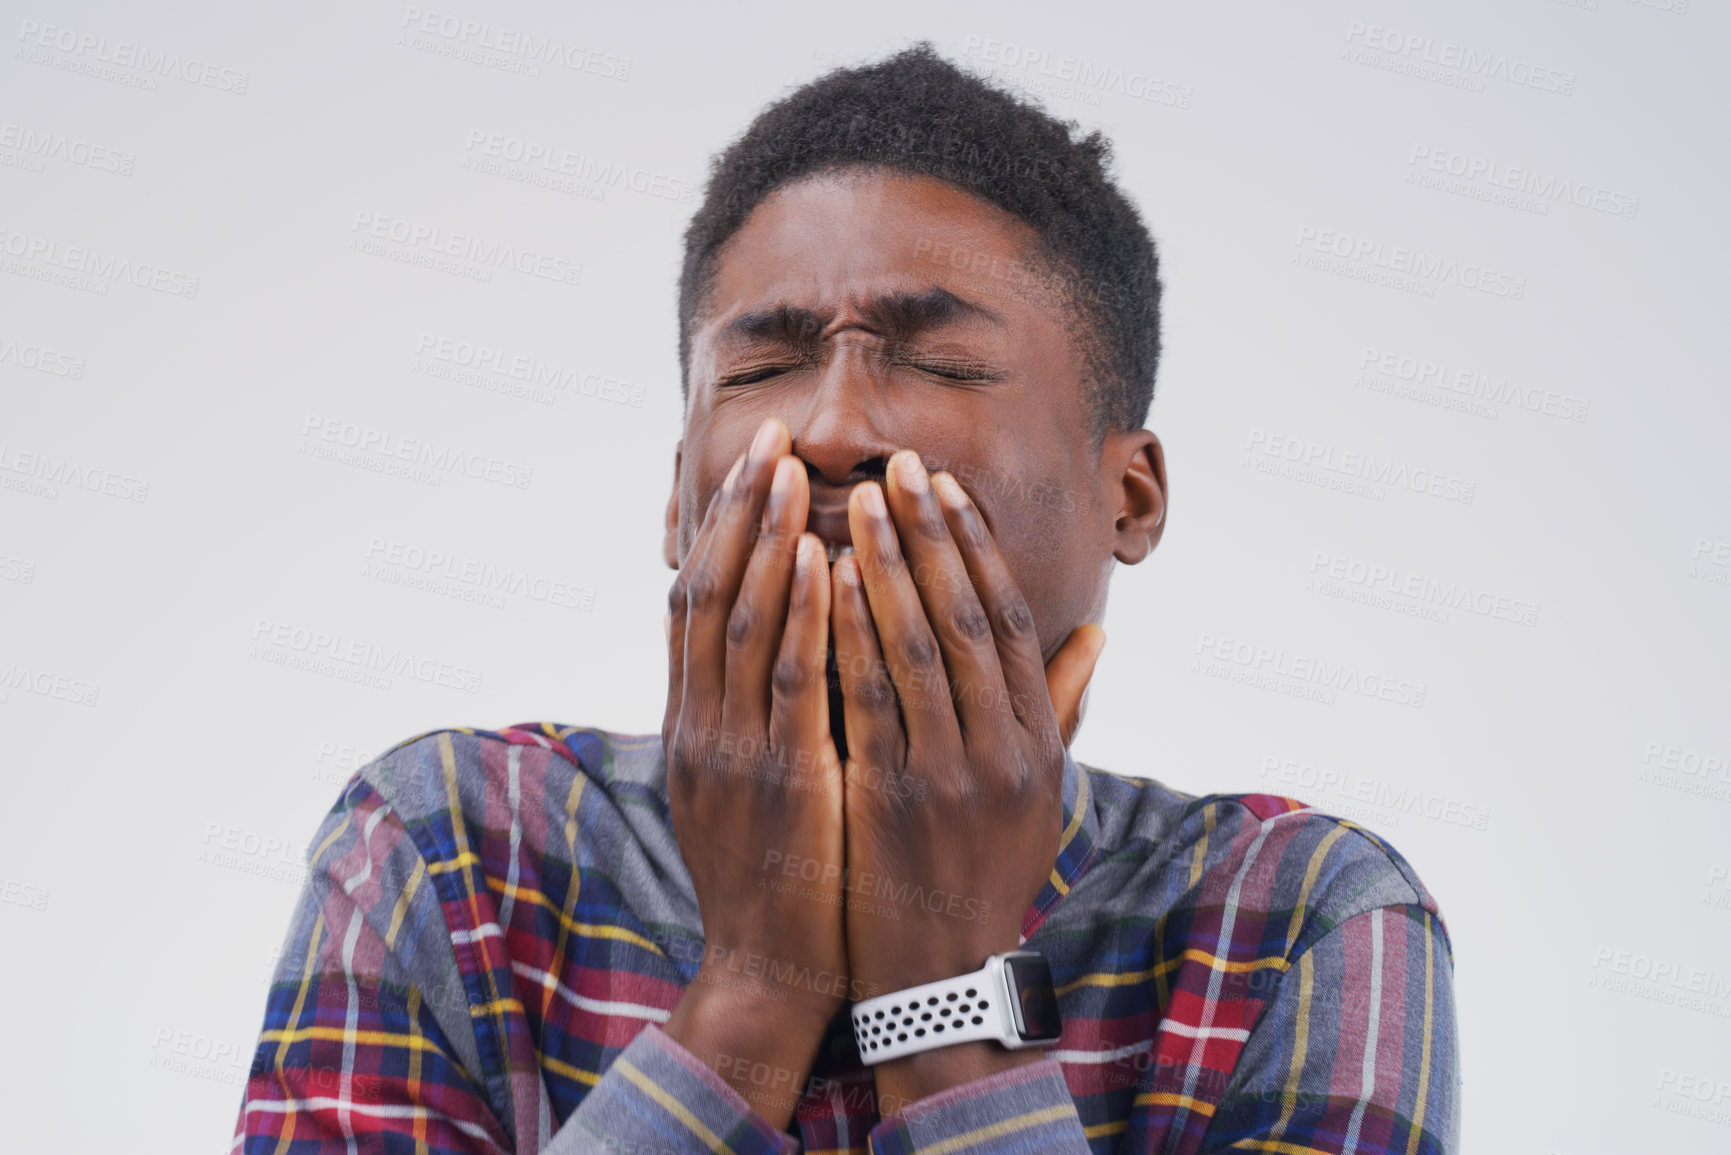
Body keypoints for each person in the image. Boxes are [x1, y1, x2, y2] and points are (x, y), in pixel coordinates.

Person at [233, 44, 1458, 1154]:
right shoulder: (452, 848)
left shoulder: (1297, 916)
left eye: (939, 363)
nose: (827, 430)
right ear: (677, 498)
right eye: (763, 368)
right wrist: (755, 983)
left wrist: (945, 975)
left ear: (1129, 498)